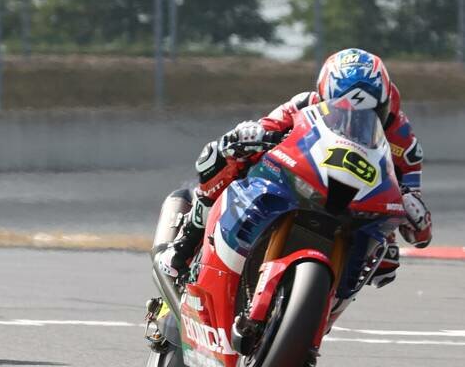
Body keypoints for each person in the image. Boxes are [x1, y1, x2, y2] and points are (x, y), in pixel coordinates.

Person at [157, 48, 432, 289]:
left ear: (385, 104)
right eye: (341, 107)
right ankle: (185, 245)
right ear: (323, 96)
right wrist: (251, 134)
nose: (355, 118)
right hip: (299, 178)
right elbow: (267, 126)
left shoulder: (403, 139)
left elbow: (416, 220)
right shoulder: (304, 103)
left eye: (369, 112)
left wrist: (415, 212)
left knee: (386, 260)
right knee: (220, 156)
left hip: (358, 205)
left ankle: (322, 310)